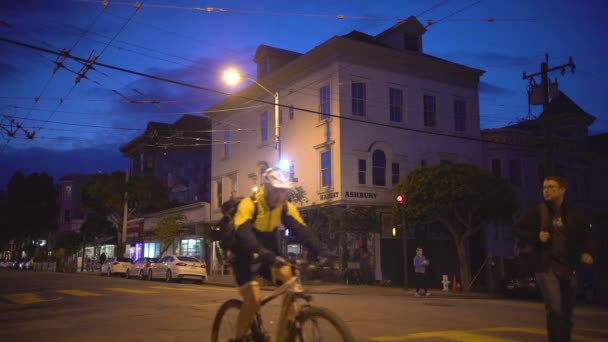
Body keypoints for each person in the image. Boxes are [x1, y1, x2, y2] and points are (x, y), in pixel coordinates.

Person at [230, 168, 330, 342]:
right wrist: (260, 252)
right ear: (267, 188)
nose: (279, 196)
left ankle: (286, 334)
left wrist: (322, 251)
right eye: (276, 190)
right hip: (244, 255)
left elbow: (302, 230)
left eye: (283, 191)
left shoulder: (284, 208)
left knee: (290, 281)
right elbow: (243, 232)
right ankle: (238, 338)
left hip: (269, 255)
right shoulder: (249, 204)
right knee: (253, 299)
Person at [513, 176, 594, 342]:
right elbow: (517, 229)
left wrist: (588, 252)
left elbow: (586, 234)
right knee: (555, 311)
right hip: (546, 267)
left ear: (563, 190)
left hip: (569, 267)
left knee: (567, 313)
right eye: (544, 187)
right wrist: (537, 237)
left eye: (551, 187)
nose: (546, 190)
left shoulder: (573, 213)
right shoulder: (538, 210)